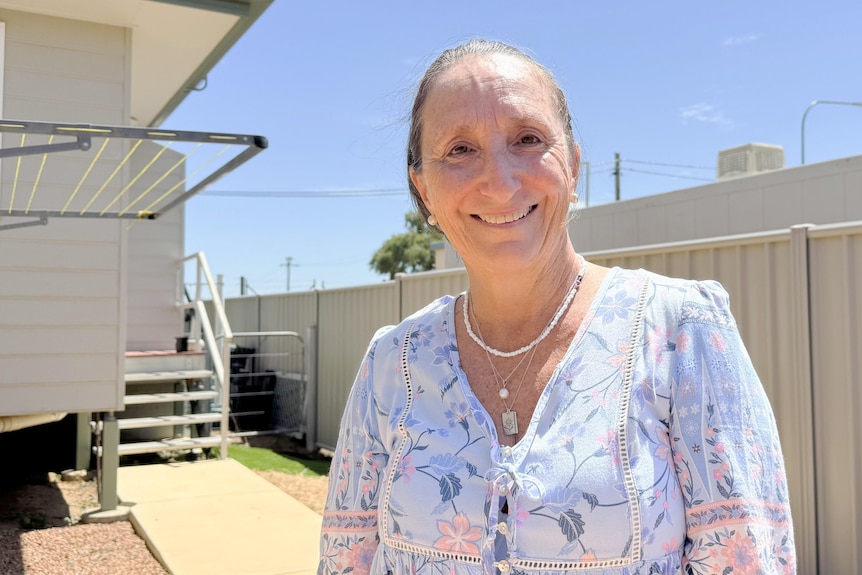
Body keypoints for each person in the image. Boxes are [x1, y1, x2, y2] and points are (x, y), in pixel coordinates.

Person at [318, 38, 796, 575]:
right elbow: (347, 563)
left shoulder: (678, 331)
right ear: (423, 190)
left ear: (571, 165)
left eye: (526, 139)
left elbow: (748, 560)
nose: (499, 182)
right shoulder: (392, 364)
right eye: (459, 149)